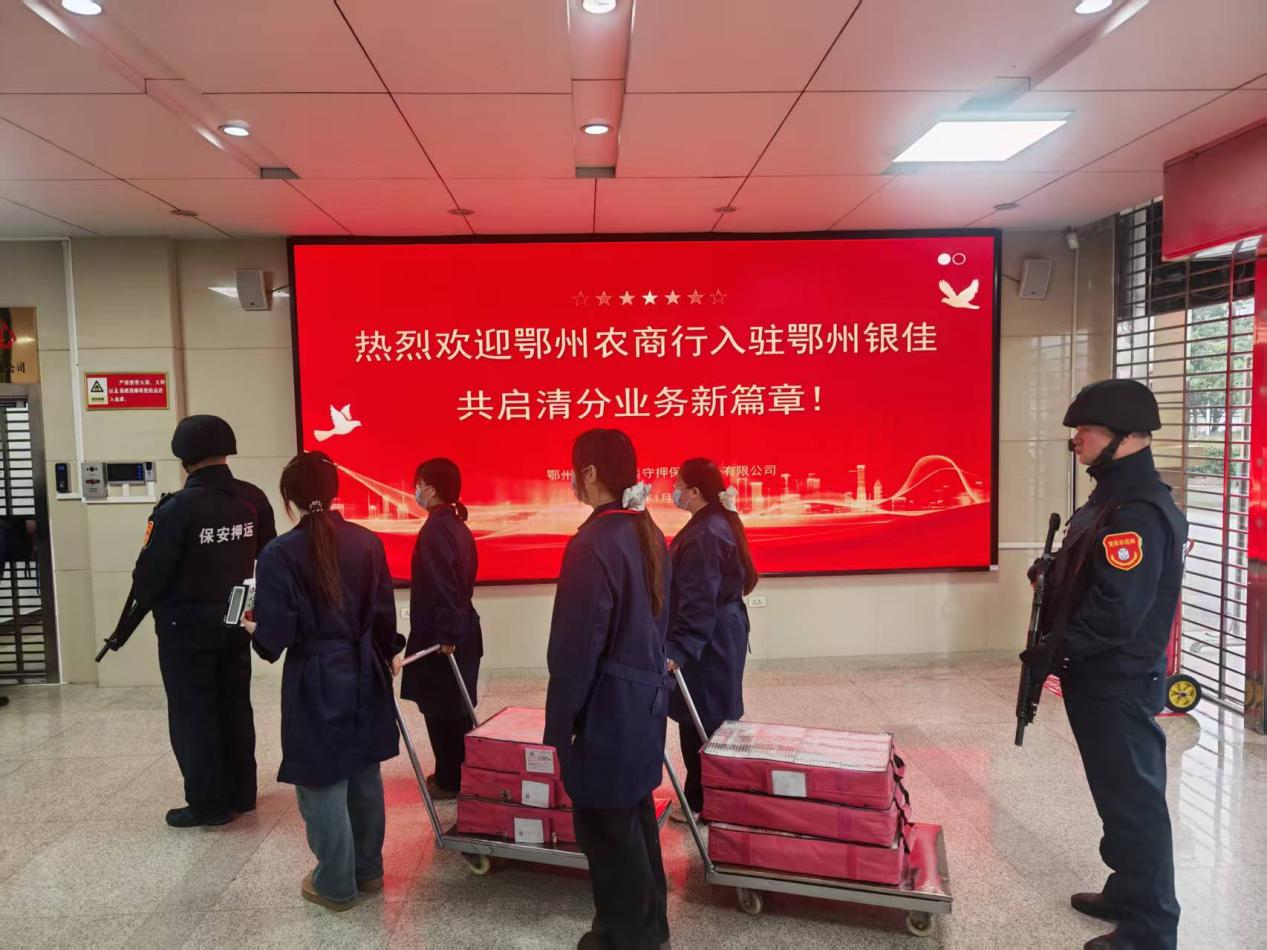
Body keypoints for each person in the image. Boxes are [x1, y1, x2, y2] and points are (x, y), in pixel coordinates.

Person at [1020, 379, 1187, 950]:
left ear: (1126, 436)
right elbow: (1090, 572)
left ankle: (1150, 929)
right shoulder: (1108, 499)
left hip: (1118, 681)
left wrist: (1059, 649)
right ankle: (1127, 890)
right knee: (1116, 794)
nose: (1077, 440)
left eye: (1085, 430)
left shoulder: (1137, 512)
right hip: (1097, 678)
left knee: (1134, 802)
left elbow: (1119, 611)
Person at [244, 451, 405, 912]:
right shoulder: (367, 542)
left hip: (315, 675)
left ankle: (335, 884)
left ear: (289, 499)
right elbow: (384, 618)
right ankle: (369, 871)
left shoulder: (278, 553)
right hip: (364, 670)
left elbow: (275, 637)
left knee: (321, 779)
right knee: (364, 770)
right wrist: (388, 653)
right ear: (334, 492)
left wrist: (252, 629)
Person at [545, 429, 672, 950]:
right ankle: (651, 928)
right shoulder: (646, 529)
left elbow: (575, 649)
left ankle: (625, 937)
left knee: (606, 827)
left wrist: (563, 722)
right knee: (634, 815)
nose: (573, 480)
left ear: (591, 473)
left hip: (605, 707)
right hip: (642, 701)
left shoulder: (593, 543)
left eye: (574, 470)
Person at [130, 414, 276, 828]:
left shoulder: (175, 509)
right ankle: (241, 793)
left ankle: (209, 804)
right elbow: (269, 558)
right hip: (236, 618)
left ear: (184, 458)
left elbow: (149, 578)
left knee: (193, 713)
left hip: (185, 629)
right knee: (235, 706)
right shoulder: (253, 498)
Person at [666, 458, 758, 823]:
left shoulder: (706, 534)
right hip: (718, 632)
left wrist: (679, 650)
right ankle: (710, 796)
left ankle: (703, 801)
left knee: (701, 720)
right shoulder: (713, 524)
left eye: (678, 484)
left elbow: (697, 600)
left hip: (707, 640)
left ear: (694, 491)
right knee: (710, 717)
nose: (673, 491)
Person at [400, 457, 482, 799]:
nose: (415, 491)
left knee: (442, 710)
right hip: (459, 628)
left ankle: (451, 780)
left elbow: (443, 584)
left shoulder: (436, 529)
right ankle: (454, 772)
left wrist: (447, 633)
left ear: (431, 490)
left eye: (418, 485)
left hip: (443, 636)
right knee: (453, 707)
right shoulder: (456, 525)